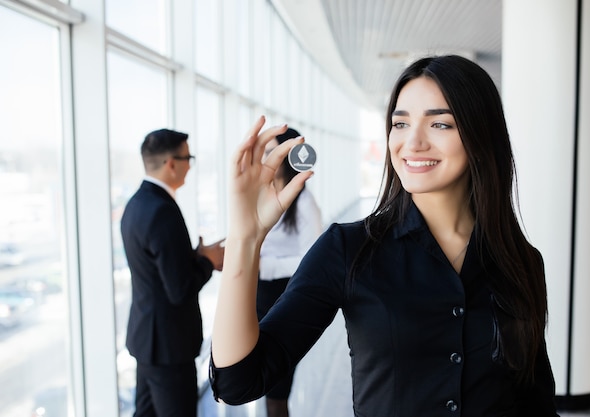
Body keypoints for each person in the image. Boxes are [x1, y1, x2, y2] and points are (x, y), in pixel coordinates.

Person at [209, 55, 559, 416]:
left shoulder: (520, 261)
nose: (413, 142)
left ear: (481, 137)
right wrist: (245, 239)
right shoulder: (347, 250)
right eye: (400, 123)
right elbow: (239, 382)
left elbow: (537, 400)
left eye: (440, 124)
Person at [121, 128, 225, 417]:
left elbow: (155, 267)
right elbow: (179, 289)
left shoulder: (136, 204)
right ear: (171, 163)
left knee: (145, 413)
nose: (190, 165)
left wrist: (196, 255)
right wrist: (209, 262)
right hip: (169, 345)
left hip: (147, 340)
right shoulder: (163, 210)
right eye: (188, 157)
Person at [256, 128, 323, 417]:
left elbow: (312, 259)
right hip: (257, 295)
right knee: (262, 381)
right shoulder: (262, 194)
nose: (267, 157)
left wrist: (265, 266)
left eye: (274, 150)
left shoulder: (305, 204)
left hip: (282, 298)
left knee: (277, 390)